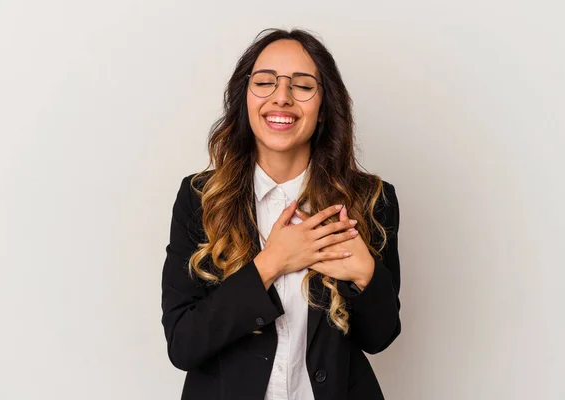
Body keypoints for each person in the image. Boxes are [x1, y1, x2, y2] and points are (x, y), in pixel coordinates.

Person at [161, 28, 401, 400]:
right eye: (265, 82)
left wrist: (366, 275)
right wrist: (270, 264)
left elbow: (380, 337)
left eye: (303, 86)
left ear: (323, 108)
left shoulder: (371, 199)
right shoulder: (200, 198)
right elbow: (183, 344)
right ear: (245, 99)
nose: (282, 97)